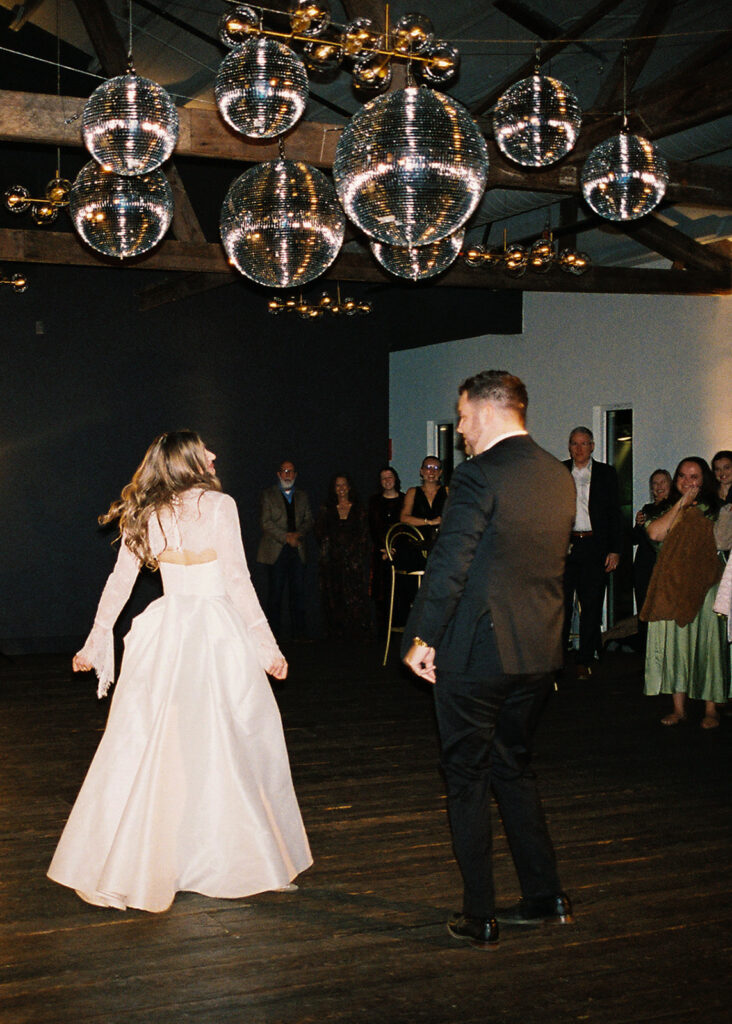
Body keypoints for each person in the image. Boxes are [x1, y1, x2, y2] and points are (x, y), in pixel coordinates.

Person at [48, 431, 312, 912]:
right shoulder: (219, 505)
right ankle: (235, 858)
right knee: (226, 743)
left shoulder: (150, 512)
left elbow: (119, 583)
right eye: (206, 450)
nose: (214, 454)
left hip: (168, 634)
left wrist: (95, 638)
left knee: (171, 745)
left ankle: (190, 855)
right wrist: (266, 646)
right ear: (190, 461)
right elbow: (236, 579)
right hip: (214, 632)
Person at [402, 370, 575, 950]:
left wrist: (422, 637)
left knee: (467, 776)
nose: (460, 431)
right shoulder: (558, 474)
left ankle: (479, 915)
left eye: (464, 417)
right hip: (539, 653)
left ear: (493, 411)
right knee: (514, 768)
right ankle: (545, 896)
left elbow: (451, 564)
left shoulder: (477, 476)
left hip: (478, 653)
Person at [641, 456, 729, 729]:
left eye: (694, 476)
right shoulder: (667, 508)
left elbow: (721, 541)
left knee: (709, 646)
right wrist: (681, 504)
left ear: (704, 481)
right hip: (674, 586)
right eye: (682, 475)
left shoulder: (714, 507)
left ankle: (711, 708)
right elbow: (655, 533)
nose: (687, 481)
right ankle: (679, 709)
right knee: (677, 647)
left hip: (706, 584)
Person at [562, 427, 623, 679]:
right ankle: (556, 661)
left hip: (594, 546)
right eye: (574, 443)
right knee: (560, 606)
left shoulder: (606, 474)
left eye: (584, 443)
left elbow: (615, 515)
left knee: (592, 605)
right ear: (569, 446)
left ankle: (584, 659)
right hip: (564, 548)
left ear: (593, 446)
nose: (579, 449)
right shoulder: (559, 471)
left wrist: (615, 550)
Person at [257, 460, 314, 641]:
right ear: (278, 474)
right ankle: (273, 637)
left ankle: (300, 635)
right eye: (284, 471)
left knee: (298, 593)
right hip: (276, 551)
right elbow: (265, 523)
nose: (287, 474)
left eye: (291, 471)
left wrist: (297, 535)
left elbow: (309, 521)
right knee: (275, 595)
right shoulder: (268, 495)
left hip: (297, 549)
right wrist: (285, 537)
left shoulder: (303, 496)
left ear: (295, 475)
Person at [315, 473, 372, 640]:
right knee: (333, 598)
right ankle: (335, 635)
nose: (341, 489)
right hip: (332, 564)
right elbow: (319, 533)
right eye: (337, 485)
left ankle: (357, 635)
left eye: (343, 485)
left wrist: (353, 555)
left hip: (354, 564)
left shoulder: (359, 509)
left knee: (355, 599)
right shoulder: (326, 509)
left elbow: (364, 535)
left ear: (349, 487)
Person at [632, 469, 674, 649]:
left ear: (670, 484)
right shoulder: (647, 509)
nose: (659, 487)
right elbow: (634, 539)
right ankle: (644, 651)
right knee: (644, 608)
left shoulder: (675, 508)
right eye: (655, 483)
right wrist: (638, 525)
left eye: (662, 482)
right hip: (644, 565)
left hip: (665, 565)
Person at [368, 466, 405, 630]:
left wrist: (395, 548)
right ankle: (383, 630)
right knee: (381, 593)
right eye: (383, 478)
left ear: (395, 479)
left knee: (400, 591)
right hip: (380, 554)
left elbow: (405, 527)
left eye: (389, 477)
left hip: (401, 553)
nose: (387, 480)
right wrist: (384, 549)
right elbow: (372, 527)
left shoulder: (405, 500)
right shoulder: (374, 502)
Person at [400, 456, 449, 551]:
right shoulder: (412, 492)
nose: (432, 472)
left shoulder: (448, 491)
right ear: (421, 471)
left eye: (435, 468)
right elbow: (404, 518)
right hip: (417, 542)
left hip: (442, 543)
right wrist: (429, 522)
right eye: (428, 467)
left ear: (440, 473)